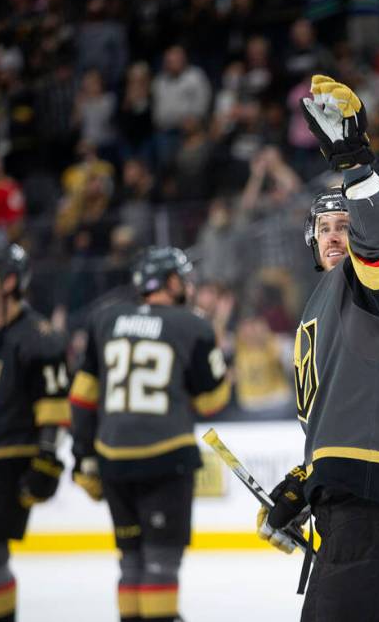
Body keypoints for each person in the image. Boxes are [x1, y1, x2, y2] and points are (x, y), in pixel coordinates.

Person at [256, 75, 379, 621]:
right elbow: (344, 405)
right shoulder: (326, 303)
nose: (335, 235)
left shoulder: (376, 280)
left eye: (346, 225)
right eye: (325, 226)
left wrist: (357, 167)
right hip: (357, 492)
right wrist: (306, 484)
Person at [68, 247, 230, 622]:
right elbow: (210, 402)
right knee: (160, 565)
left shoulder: (103, 318)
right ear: (171, 282)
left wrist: (84, 457)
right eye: (183, 279)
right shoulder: (192, 325)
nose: (188, 286)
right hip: (165, 457)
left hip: (111, 459)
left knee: (130, 563)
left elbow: (81, 398)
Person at [0, 243, 70, 622]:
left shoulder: (40, 336)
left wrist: (47, 456)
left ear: (9, 281)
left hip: (9, 459)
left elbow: (54, 406)